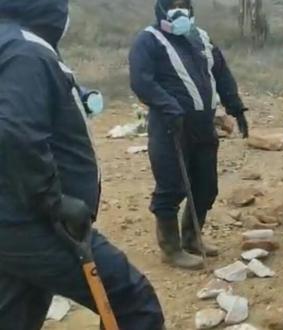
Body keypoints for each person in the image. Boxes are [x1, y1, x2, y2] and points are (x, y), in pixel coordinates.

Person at [0, 0, 164, 329]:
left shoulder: (11, 42)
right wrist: (53, 201)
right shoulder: (24, 51)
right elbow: (14, 131)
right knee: (130, 300)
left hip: (13, 217)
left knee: (16, 311)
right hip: (31, 221)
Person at [130, 0, 249, 269]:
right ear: (162, 8)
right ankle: (171, 248)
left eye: (184, 4)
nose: (180, 10)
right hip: (170, 125)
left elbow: (221, 73)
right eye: (173, 5)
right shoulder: (148, 41)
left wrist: (236, 106)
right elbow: (141, 81)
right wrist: (168, 105)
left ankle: (192, 237)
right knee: (171, 186)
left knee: (206, 185)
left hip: (203, 124)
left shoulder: (201, 37)